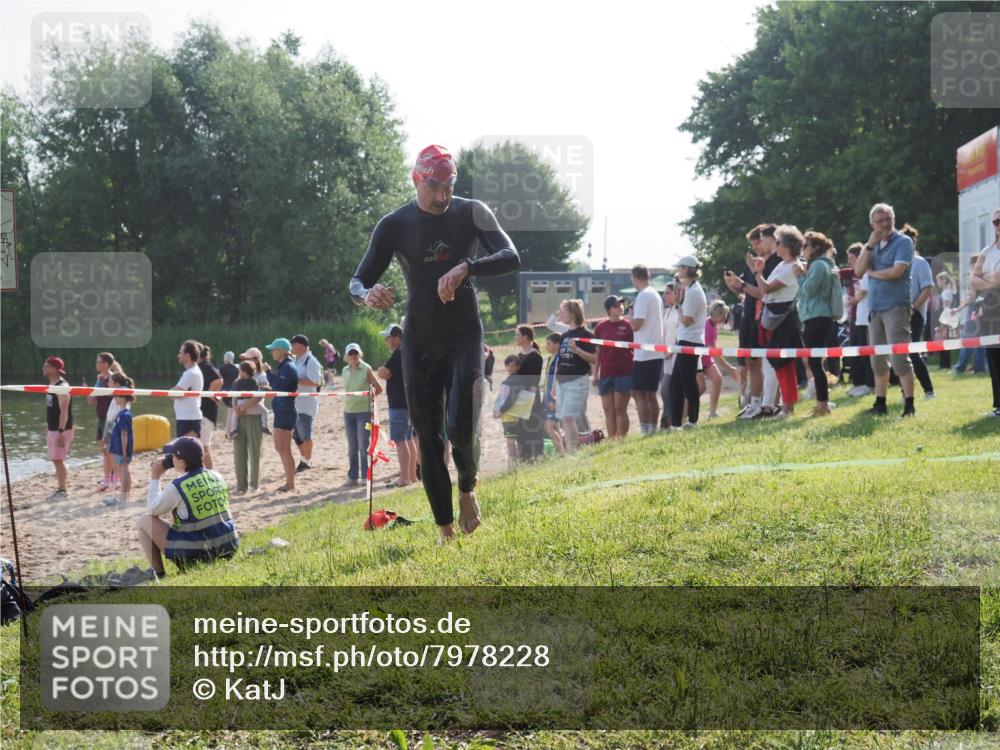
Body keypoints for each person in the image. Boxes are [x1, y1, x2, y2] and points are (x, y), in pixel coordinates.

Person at [349, 144, 519, 543]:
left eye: (449, 186)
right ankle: (444, 529)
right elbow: (357, 281)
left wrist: (467, 267)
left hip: (464, 335)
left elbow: (510, 256)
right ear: (416, 179)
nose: (442, 196)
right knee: (428, 438)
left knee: (462, 426)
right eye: (434, 187)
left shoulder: (471, 212)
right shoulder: (394, 224)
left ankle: (467, 489)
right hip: (420, 341)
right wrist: (367, 294)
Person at [137, 437, 239, 577]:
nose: (170, 458)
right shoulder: (217, 476)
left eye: (173, 456)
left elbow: (153, 509)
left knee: (144, 520)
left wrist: (155, 477)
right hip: (229, 547)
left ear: (182, 462)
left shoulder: (178, 486)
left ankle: (159, 574)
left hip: (197, 554)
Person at [854, 203, 917, 417]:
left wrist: (873, 273)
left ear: (893, 219)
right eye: (879, 221)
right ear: (872, 224)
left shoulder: (903, 242)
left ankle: (909, 404)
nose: (884, 224)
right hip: (876, 308)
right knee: (877, 360)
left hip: (896, 306)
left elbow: (896, 272)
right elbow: (858, 270)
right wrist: (869, 247)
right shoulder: (871, 245)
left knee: (899, 357)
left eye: (887, 219)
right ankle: (880, 403)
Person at [724, 223, 782, 420]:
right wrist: (734, 285)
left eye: (759, 242)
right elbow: (744, 289)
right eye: (753, 243)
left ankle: (770, 403)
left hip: (765, 316)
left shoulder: (775, 261)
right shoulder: (755, 262)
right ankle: (755, 402)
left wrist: (743, 284)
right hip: (749, 316)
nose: (756, 247)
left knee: (768, 362)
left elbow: (761, 292)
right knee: (751, 362)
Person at [753, 226, 806, 417]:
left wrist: (757, 273)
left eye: (778, 242)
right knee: (778, 364)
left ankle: (788, 407)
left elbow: (766, 289)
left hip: (783, 320)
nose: (775, 244)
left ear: (787, 245)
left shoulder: (792, 266)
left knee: (785, 365)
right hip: (774, 317)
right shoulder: (781, 264)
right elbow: (763, 291)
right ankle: (782, 405)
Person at [798, 231, 838, 417]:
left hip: (818, 318)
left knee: (814, 363)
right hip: (816, 317)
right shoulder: (820, 265)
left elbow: (809, 290)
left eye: (805, 246)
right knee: (815, 362)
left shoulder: (819, 265)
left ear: (815, 247)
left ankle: (823, 405)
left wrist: (799, 275)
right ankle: (822, 404)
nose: (802, 250)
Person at [668, 256, 707, 428]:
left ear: (687, 269)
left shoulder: (693, 292)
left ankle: (692, 420)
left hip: (690, 342)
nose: (678, 270)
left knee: (688, 383)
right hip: (686, 341)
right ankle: (677, 423)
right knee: (675, 385)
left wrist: (677, 305)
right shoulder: (691, 289)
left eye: (680, 268)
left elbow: (687, 320)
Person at [377, 325, 418, 487]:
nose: (386, 341)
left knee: (401, 442)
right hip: (408, 403)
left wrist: (381, 368)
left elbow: (384, 373)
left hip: (399, 403)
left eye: (388, 337)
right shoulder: (407, 352)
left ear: (396, 338)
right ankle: (412, 476)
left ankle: (405, 478)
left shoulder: (398, 354)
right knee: (408, 440)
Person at [555, 299, 597, 452]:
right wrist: (555, 383)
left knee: (570, 416)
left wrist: (578, 350)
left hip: (577, 381)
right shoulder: (564, 335)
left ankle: (574, 449)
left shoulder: (586, 335)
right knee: (564, 418)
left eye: (563, 312)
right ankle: (571, 449)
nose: (561, 315)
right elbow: (560, 360)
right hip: (562, 382)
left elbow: (594, 359)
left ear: (573, 313)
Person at [970, 207, 1000, 417]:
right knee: (993, 356)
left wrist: (984, 278)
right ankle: (998, 405)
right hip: (990, 307)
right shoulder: (986, 251)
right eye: (996, 222)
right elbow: (972, 280)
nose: (998, 225)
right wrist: (990, 278)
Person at [900, 224, 936, 399]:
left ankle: (928, 390)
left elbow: (927, 289)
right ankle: (905, 391)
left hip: (915, 314)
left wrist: (913, 308)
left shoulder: (920, 263)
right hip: (899, 314)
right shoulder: (899, 262)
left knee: (912, 352)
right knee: (900, 354)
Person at [629, 265, 665, 434]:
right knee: (650, 393)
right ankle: (651, 427)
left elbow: (636, 325)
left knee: (640, 392)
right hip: (654, 350)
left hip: (645, 352)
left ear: (635, 278)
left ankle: (645, 428)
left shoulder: (643, 296)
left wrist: (630, 316)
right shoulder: (655, 294)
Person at [341, 342, 383, 487]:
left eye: (355, 353)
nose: (353, 356)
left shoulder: (366, 368)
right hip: (348, 412)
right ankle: (352, 476)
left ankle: (366, 476)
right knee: (352, 446)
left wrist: (369, 401)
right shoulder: (345, 370)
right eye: (350, 353)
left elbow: (378, 388)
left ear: (360, 354)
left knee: (363, 445)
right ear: (346, 356)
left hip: (363, 413)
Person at [593, 295, 634, 438]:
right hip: (606, 373)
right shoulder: (600, 327)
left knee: (619, 408)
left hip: (624, 372)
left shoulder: (628, 325)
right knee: (608, 410)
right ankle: (612, 439)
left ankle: (621, 438)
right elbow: (597, 353)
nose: (621, 307)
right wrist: (595, 374)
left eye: (621, 304)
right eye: (617, 305)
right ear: (609, 310)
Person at [263, 338, 299, 492]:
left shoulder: (288, 366)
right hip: (282, 409)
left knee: (284, 449)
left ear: (281, 351)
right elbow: (280, 388)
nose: (271, 352)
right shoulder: (285, 366)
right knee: (280, 447)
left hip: (285, 411)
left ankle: (290, 484)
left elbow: (280, 386)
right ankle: (289, 482)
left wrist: (267, 373)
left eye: (274, 349)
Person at [87, 352, 120, 493]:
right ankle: (107, 479)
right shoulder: (99, 380)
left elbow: (118, 397)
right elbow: (92, 401)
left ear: (106, 364)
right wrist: (89, 392)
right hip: (101, 418)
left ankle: (115, 479)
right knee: (104, 450)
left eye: (98, 361)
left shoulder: (114, 379)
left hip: (111, 419)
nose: (96, 364)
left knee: (110, 451)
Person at [42, 356, 74, 501]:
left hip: (62, 429)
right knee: (56, 459)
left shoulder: (62, 387)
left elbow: (64, 411)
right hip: (53, 428)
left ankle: (62, 490)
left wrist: (61, 432)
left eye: (46, 365)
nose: (43, 368)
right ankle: (62, 488)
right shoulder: (51, 385)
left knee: (58, 459)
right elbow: (51, 409)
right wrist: (48, 427)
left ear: (54, 369)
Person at [290, 334, 323, 473]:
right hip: (295, 402)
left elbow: (316, 381)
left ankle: (307, 461)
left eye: (293, 344)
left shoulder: (311, 361)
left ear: (301, 345)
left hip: (306, 402)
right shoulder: (295, 360)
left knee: (305, 434)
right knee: (297, 436)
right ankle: (304, 459)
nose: (291, 347)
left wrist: (296, 380)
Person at [845, 243, 875, 397]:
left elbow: (862, 292)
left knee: (866, 353)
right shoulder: (861, 273)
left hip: (866, 319)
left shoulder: (867, 272)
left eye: (852, 258)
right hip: (860, 319)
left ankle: (870, 384)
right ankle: (860, 383)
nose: (850, 261)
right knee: (856, 350)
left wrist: (851, 300)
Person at [230, 361, 265, 494]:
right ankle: (241, 485)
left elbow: (258, 397)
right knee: (239, 452)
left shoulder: (260, 378)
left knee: (254, 451)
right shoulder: (236, 382)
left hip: (254, 417)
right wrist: (236, 409)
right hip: (239, 417)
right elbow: (233, 397)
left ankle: (255, 484)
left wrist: (244, 408)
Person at [512, 325, 545, 461]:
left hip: (529, 395)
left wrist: (531, 401)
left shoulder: (535, 356)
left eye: (517, 335)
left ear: (525, 337)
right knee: (520, 429)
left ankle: (536, 456)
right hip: (519, 395)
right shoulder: (519, 356)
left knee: (532, 427)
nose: (516, 338)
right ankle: (524, 457)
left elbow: (534, 380)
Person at [703, 301, 739, 418]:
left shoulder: (713, 325)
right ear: (718, 314)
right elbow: (713, 351)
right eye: (724, 315)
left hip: (706, 359)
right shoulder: (707, 325)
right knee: (699, 388)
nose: (725, 317)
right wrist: (729, 368)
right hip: (700, 360)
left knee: (717, 379)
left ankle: (712, 412)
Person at [493, 355, 527, 471]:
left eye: (513, 366)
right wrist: (496, 409)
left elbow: (511, 399)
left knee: (511, 443)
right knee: (517, 441)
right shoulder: (513, 380)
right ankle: (516, 465)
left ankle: (512, 467)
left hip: (510, 416)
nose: (510, 368)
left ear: (518, 367)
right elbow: (501, 398)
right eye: (508, 365)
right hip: (513, 415)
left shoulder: (515, 381)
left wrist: (500, 411)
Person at [105, 375, 135, 506]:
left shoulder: (124, 414)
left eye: (117, 396)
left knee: (123, 470)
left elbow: (125, 434)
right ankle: (125, 494)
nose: (115, 398)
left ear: (123, 398)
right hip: (118, 446)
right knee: (123, 469)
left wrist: (123, 451)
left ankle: (123, 495)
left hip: (121, 448)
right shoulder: (122, 412)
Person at [659, 281, 681, 429]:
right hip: (665, 357)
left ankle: (674, 422)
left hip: (676, 356)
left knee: (667, 390)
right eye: (664, 293)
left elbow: (681, 334)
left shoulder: (680, 311)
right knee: (666, 391)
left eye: (667, 293)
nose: (664, 296)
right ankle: (668, 422)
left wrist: (671, 351)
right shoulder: (667, 311)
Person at [197, 345, 223, 469]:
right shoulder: (202, 367)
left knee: (204, 445)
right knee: (202, 444)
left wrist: (211, 394)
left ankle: (210, 472)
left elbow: (219, 380)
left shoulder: (206, 367)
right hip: (203, 411)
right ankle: (206, 470)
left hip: (206, 411)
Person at [171, 340, 204, 437]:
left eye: (181, 352)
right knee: (185, 450)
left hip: (189, 419)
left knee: (186, 451)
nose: (178, 355)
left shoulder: (191, 373)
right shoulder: (191, 372)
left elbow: (174, 394)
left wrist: (172, 390)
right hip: (187, 418)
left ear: (188, 355)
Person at [240, 347, 272, 435]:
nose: (245, 361)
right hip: (241, 413)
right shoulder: (242, 373)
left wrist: (243, 407)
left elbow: (261, 394)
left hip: (255, 415)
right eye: (245, 359)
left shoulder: (262, 375)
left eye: (248, 359)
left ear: (256, 360)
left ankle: (264, 427)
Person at [542, 333, 565, 454]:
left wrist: (555, 399)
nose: (546, 346)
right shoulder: (550, 358)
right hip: (547, 396)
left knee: (549, 427)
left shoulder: (559, 358)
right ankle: (561, 452)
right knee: (555, 427)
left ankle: (562, 453)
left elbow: (558, 379)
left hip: (554, 397)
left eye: (548, 343)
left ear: (557, 344)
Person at [934, 271, 958, 370]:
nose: (937, 283)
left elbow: (946, 308)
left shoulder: (946, 292)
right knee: (943, 341)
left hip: (945, 320)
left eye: (939, 280)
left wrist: (942, 324)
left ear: (943, 280)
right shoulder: (947, 292)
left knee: (942, 341)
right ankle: (944, 364)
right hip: (946, 320)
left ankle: (944, 364)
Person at [218, 350, 239, 425]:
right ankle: (231, 427)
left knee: (229, 410)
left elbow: (218, 381)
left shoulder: (220, 368)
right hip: (234, 393)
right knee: (232, 410)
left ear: (224, 358)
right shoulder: (237, 368)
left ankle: (226, 428)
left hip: (223, 393)